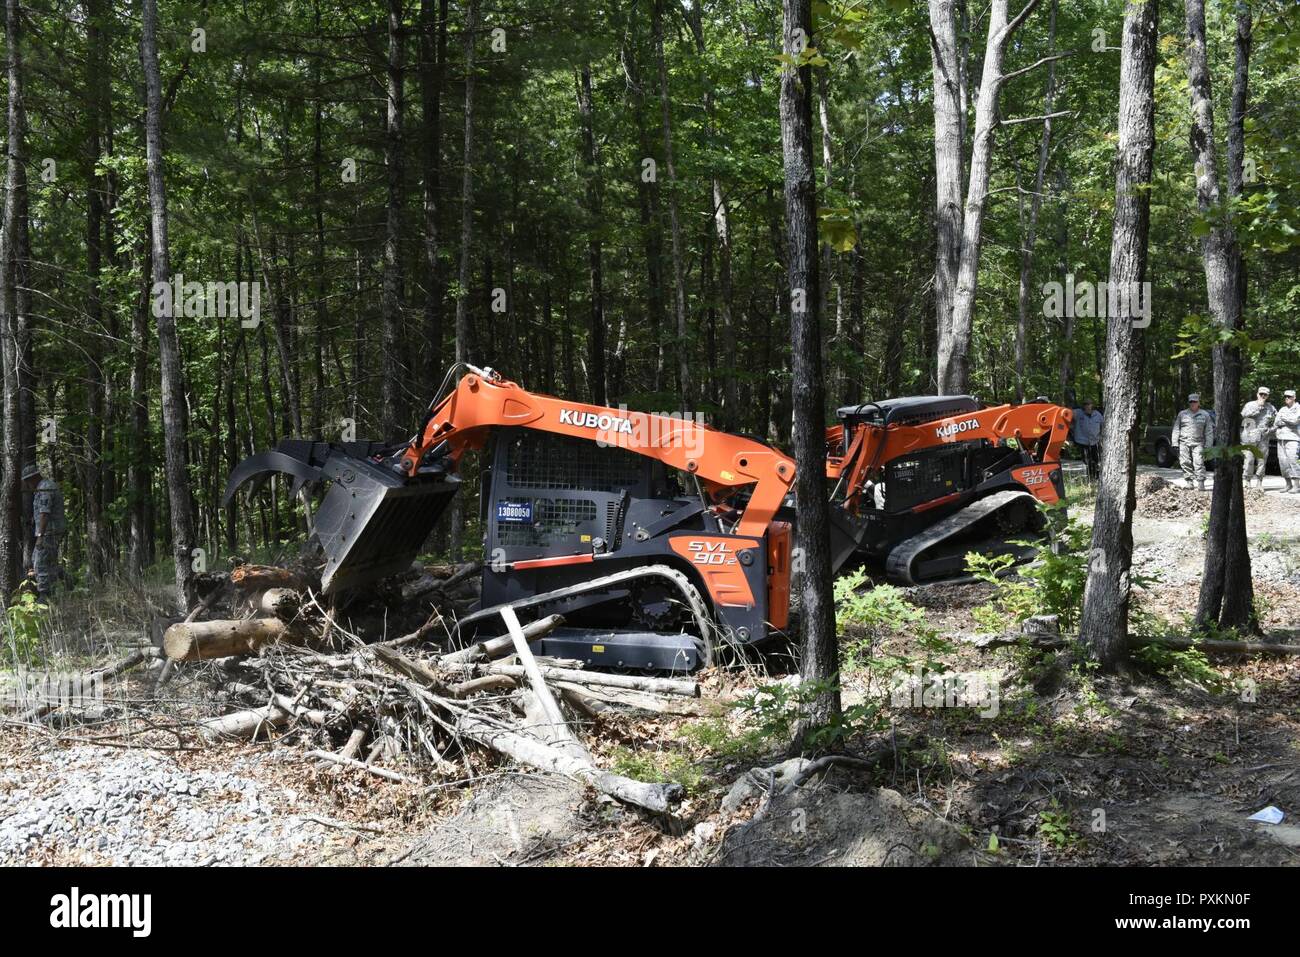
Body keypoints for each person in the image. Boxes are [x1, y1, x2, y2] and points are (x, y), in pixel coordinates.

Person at [21, 464, 66, 598]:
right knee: (47, 561)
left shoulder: (45, 488)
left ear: (33, 478)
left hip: (48, 532)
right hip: (49, 531)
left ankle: (44, 595)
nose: (28, 484)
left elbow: (44, 514)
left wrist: (40, 535)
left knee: (39, 562)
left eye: (27, 481)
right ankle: (66, 580)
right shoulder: (44, 487)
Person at [1172, 393, 1214, 490]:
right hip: (1184, 442)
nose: (1193, 403)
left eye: (1195, 401)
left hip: (1198, 442)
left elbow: (1209, 431)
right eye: (1191, 402)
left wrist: (1208, 445)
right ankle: (1189, 482)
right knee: (1185, 462)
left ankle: (1200, 482)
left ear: (1198, 402)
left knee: (1199, 462)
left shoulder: (1204, 415)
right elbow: (1176, 429)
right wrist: (1174, 442)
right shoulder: (1182, 414)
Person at [1241, 386, 1275, 489]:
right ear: (1257, 394)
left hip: (1263, 438)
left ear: (1268, 396)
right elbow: (1244, 415)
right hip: (1250, 437)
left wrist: (1271, 430)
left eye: (1265, 395)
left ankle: (1259, 481)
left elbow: (1276, 421)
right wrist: (1258, 408)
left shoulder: (1271, 408)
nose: (1263, 396)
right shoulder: (1250, 405)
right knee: (1249, 459)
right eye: (1261, 394)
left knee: (1262, 460)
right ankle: (1247, 481)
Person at [1071, 399, 1103, 481]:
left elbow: (1103, 426)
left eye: (1089, 404)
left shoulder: (1098, 415)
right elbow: (1066, 413)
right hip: (1082, 442)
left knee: (1096, 460)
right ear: (1083, 406)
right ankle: (1090, 477)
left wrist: (1102, 438)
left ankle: (1096, 476)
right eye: (1085, 404)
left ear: (1092, 405)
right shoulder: (1078, 413)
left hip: (1094, 441)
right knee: (1087, 460)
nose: (1087, 406)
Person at [1276, 389, 1300, 494]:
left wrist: (1284, 419)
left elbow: (1295, 421)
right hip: (1281, 438)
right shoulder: (1282, 409)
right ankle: (1288, 484)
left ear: (1294, 397)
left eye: (1289, 397)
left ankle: (1296, 486)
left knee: (1292, 460)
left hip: (1293, 438)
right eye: (1285, 396)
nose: (1287, 398)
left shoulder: (1298, 408)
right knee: (1283, 462)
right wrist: (1287, 420)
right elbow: (1276, 421)